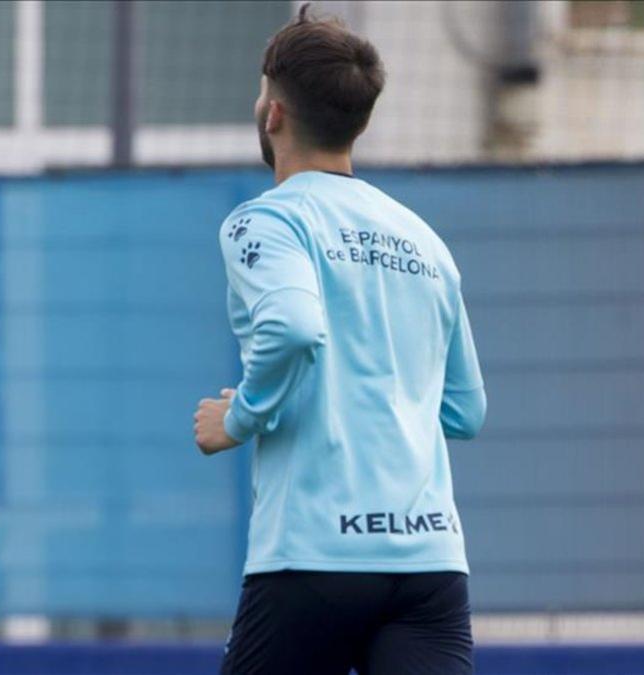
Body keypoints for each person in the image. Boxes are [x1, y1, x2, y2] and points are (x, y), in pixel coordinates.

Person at [192, 7, 485, 674]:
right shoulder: (423, 239)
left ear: (274, 112)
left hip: (313, 557)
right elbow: (466, 412)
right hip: (430, 564)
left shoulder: (265, 221)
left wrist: (238, 417)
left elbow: (293, 326)